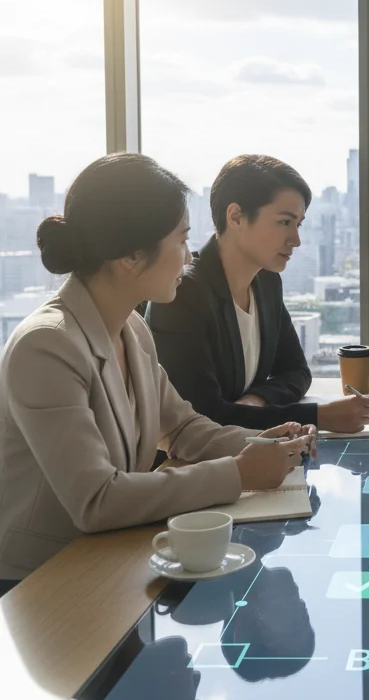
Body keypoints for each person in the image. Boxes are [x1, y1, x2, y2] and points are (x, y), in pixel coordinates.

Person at [0, 154, 313, 592]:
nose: (189, 257)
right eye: (182, 240)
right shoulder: (46, 345)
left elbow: (182, 427)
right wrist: (239, 472)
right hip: (42, 581)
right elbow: (98, 499)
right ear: (131, 255)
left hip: (108, 558)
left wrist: (266, 445)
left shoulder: (132, 328)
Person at [147, 155, 369, 433]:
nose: (296, 239)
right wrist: (318, 417)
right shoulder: (184, 294)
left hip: (248, 453)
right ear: (236, 217)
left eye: (299, 224)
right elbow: (203, 416)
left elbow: (297, 372)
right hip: (186, 465)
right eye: (284, 222)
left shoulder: (266, 282)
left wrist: (257, 400)